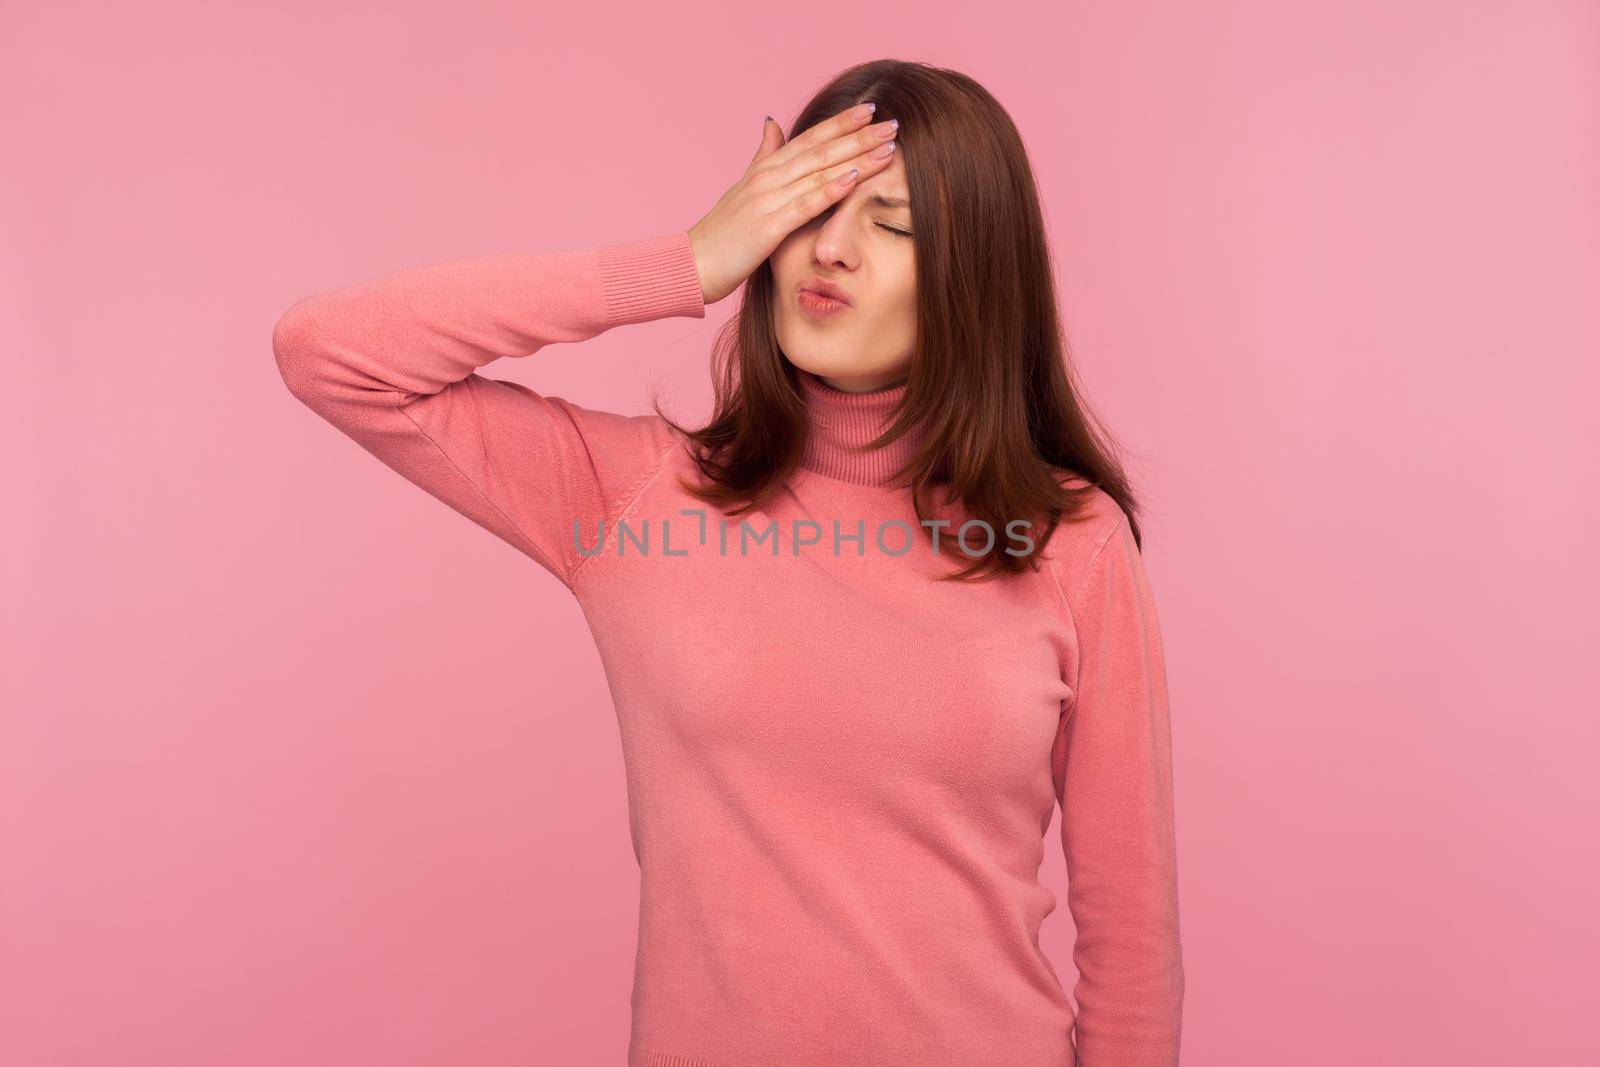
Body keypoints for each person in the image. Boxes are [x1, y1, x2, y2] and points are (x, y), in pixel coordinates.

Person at [273, 58, 1184, 1067]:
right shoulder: (637, 494)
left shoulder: (1065, 538)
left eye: (889, 224)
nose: (827, 250)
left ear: (976, 274)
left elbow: (1129, 933)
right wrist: (690, 260)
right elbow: (330, 350)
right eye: (801, 208)